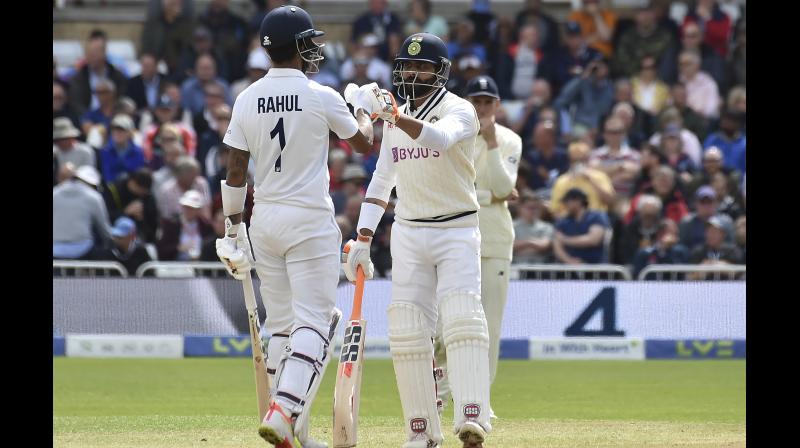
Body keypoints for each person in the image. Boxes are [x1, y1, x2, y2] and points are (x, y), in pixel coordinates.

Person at [214, 6, 374, 447]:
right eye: (311, 41)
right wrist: (364, 108)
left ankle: (295, 434)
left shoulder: (247, 98)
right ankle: (283, 411)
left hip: (262, 219)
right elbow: (363, 144)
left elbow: (235, 168)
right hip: (308, 219)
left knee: (282, 326)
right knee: (315, 321)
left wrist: (232, 228)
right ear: (299, 46)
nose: (316, 49)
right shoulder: (321, 95)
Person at [342, 32, 491, 447]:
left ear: (441, 71)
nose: (412, 72)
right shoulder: (396, 117)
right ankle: (421, 430)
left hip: (457, 228)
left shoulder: (460, 110)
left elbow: (438, 138)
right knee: (407, 328)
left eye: (422, 66)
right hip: (410, 230)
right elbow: (382, 179)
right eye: (407, 66)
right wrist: (364, 237)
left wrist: (391, 115)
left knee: (461, 317)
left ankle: (472, 415)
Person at [433, 75, 521, 420]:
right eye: (476, 101)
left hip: (495, 240)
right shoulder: (453, 134)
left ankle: (478, 400)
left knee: (490, 325)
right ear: (466, 102)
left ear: (497, 106)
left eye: (488, 102)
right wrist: (490, 197)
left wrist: (493, 144)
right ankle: (439, 395)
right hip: (456, 234)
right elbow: (452, 187)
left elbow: (504, 184)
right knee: (444, 323)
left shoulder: (510, 140)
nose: (482, 107)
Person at [53, 165, 112, 260]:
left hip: (55, 249)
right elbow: (104, 230)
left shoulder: (55, 193)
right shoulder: (94, 197)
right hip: (84, 249)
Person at [69, 29, 128, 115]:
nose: (91, 58)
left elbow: (122, 99)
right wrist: (88, 118)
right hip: (86, 120)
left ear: (104, 53)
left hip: (113, 118)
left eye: (95, 54)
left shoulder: (117, 76)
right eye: (88, 54)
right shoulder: (78, 78)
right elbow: (76, 103)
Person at [550, 141, 615, 218]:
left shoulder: (600, 177)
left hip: (595, 219)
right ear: (570, 161)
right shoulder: (562, 181)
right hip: (570, 220)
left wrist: (591, 180)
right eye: (575, 160)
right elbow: (555, 211)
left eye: (582, 160)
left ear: (588, 160)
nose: (578, 164)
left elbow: (611, 202)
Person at [612, 3, 674, 77]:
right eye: (641, 12)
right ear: (635, 16)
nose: (645, 16)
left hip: (659, 80)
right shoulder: (627, 36)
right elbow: (622, 60)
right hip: (632, 79)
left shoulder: (665, 36)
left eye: (648, 12)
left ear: (654, 14)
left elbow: (669, 63)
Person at [553, 188, 610, 264]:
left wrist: (565, 239)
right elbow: (557, 245)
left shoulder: (596, 216)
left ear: (578, 201)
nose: (565, 204)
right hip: (568, 270)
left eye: (567, 201)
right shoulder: (563, 221)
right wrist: (569, 261)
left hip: (594, 269)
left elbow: (593, 240)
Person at [103, 168, 160, 244]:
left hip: (140, 240)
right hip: (116, 237)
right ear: (131, 182)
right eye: (138, 188)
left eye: (143, 192)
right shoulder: (113, 190)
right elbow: (105, 219)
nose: (139, 193)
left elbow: (152, 231)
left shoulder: (148, 197)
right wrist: (126, 212)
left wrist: (141, 219)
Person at [589, 116, 641, 198]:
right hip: (600, 198)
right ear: (604, 134)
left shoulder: (633, 155)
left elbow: (633, 173)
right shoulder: (596, 154)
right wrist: (621, 167)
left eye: (617, 132)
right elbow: (593, 171)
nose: (613, 135)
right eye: (610, 132)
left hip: (624, 198)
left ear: (623, 133)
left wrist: (604, 173)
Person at [157, 190, 215, 261]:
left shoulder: (206, 226)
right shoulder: (171, 224)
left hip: (200, 265)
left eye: (193, 208)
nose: (188, 210)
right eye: (186, 207)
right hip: (175, 266)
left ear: (199, 210)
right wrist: (178, 248)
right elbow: (162, 249)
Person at [141, 0, 195, 75]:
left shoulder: (187, 25)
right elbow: (146, 48)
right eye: (174, 3)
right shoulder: (153, 24)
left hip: (179, 68)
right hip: (156, 66)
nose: (178, 5)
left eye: (179, 3)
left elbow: (188, 48)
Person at [678, 185, 734, 249]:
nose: (706, 205)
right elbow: (682, 245)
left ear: (716, 203)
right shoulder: (687, 222)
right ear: (695, 203)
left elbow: (731, 246)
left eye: (709, 201)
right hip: (693, 257)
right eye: (703, 202)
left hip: (720, 256)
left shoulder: (726, 222)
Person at [99, 115, 146, 183]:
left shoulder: (138, 152)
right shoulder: (105, 151)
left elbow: (137, 175)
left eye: (121, 130)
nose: (117, 133)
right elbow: (107, 176)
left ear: (130, 133)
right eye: (114, 129)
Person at [512, 192, 554, 264]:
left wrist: (521, 246)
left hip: (540, 270)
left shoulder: (547, 227)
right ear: (520, 208)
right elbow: (510, 246)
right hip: (516, 268)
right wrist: (531, 243)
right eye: (529, 208)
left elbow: (543, 245)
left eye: (535, 208)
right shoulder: (510, 226)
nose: (533, 211)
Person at [703, 109, 746, 175]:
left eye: (732, 121)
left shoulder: (743, 144)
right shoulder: (712, 140)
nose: (728, 123)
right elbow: (704, 162)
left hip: (737, 181)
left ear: (738, 123)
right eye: (726, 120)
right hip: (712, 178)